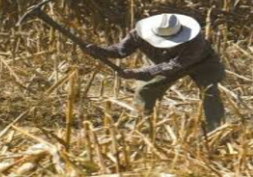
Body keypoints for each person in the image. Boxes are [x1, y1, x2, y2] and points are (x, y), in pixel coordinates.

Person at [81, 13, 225, 132]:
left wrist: (137, 73)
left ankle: (216, 129)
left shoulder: (195, 40)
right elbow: (120, 50)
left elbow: (174, 65)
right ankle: (138, 128)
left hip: (203, 63)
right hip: (162, 64)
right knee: (145, 90)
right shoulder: (138, 34)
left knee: (209, 91)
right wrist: (99, 51)